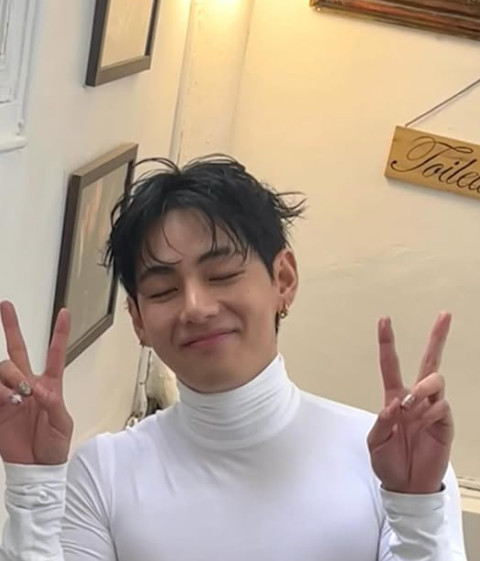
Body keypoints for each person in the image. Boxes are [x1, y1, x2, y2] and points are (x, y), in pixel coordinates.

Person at [0, 155, 467, 560]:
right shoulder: (104, 473)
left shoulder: (388, 463)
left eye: (222, 274)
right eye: (162, 290)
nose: (196, 307)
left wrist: (415, 510)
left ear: (283, 280)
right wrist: (32, 489)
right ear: (138, 320)